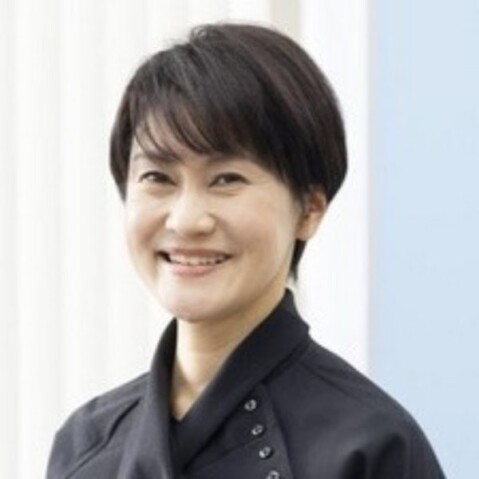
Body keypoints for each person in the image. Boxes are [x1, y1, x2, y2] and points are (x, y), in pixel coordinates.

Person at [46, 23, 446, 478]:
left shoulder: (371, 447)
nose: (186, 220)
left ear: (309, 209)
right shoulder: (85, 445)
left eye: (226, 179)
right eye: (158, 177)